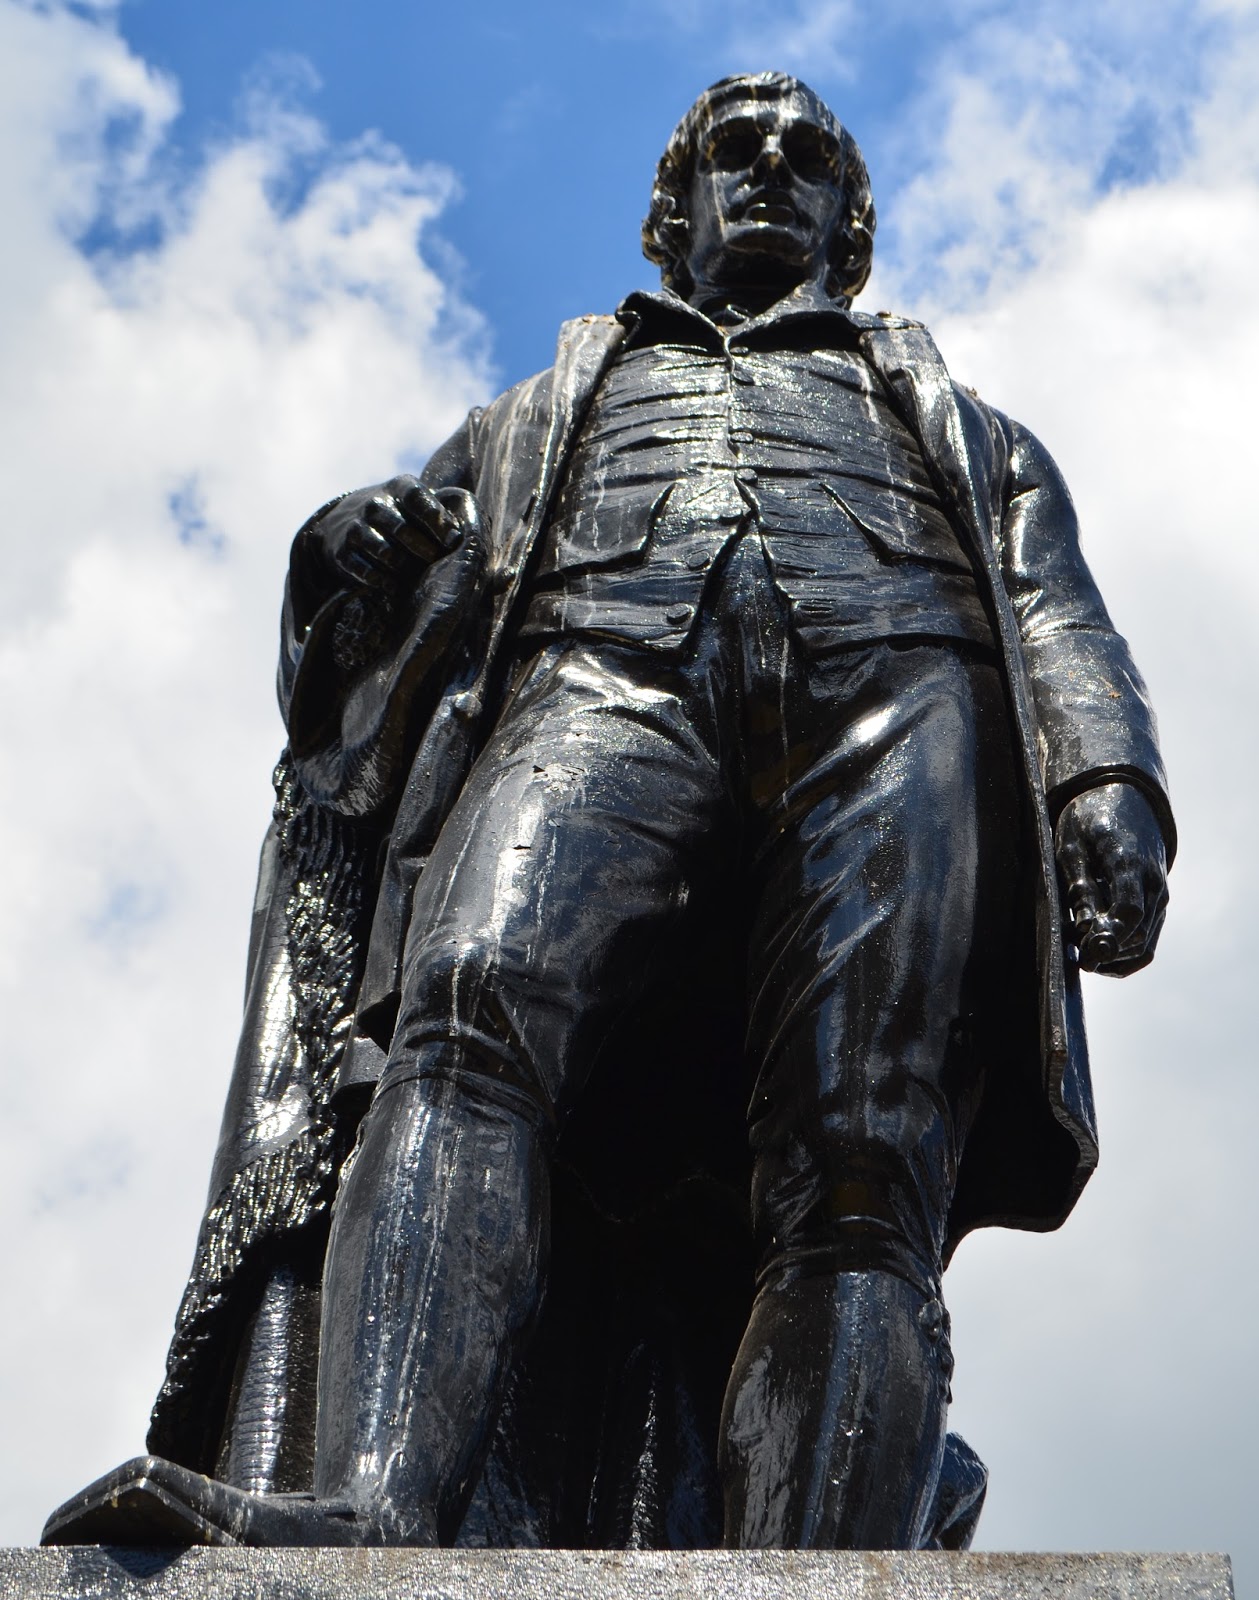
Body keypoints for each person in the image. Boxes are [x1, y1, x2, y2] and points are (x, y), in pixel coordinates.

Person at [45, 72, 1172, 1552]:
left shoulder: (967, 428)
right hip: (605, 671)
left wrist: (1107, 785)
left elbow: (1059, 615)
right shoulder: (535, 412)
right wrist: (341, 552)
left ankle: (823, 1575)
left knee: (863, 1145)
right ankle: (378, 1505)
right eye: (732, 152)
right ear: (676, 210)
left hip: (903, 694)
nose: (768, 171)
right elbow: (351, 666)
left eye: (805, 156)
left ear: (849, 221)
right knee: (464, 1005)